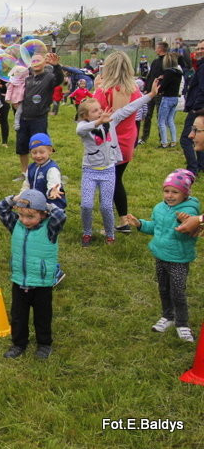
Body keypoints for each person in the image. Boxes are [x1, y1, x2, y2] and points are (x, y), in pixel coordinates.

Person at [75, 82, 157, 246]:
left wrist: (151, 95)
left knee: (106, 206)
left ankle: (110, 234)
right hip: (90, 171)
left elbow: (130, 107)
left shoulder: (111, 120)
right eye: (95, 111)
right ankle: (87, 232)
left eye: (100, 109)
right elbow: (80, 131)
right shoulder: (84, 126)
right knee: (86, 205)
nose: (100, 112)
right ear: (85, 116)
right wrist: (98, 123)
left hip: (108, 171)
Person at [125, 169, 199, 343]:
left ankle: (182, 323)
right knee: (164, 289)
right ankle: (168, 316)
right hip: (160, 256)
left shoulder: (189, 213)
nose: (170, 196)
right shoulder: (159, 208)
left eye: (175, 192)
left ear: (185, 193)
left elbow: (189, 233)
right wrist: (140, 224)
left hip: (178, 259)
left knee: (178, 292)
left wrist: (184, 222)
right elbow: (155, 227)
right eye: (167, 191)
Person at [0, 189, 66, 359]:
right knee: (18, 316)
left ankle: (44, 344)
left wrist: (44, 204)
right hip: (19, 280)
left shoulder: (50, 228)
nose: (24, 220)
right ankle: (19, 343)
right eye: (21, 215)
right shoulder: (15, 225)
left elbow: (60, 216)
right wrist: (15, 199)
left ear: (42, 214)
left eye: (30, 217)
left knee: (42, 316)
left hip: (42, 283)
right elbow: (1, 208)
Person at [93, 51, 145, 233]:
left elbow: (94, 114)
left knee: (107, 182)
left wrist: (95, 88)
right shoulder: (135, 91)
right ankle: (123, 220)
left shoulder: (104, 90)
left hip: (109, 141)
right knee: (117, 180)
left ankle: (112, 225)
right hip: (128, 139)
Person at [14, 53, 64, 178]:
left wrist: (56, 66)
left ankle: (42, 171)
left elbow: (59, 79)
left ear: (44, 63)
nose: (36, 62)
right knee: (22, 146)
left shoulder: (49, 77)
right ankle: (24, 173)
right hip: (24, 118)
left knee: (40, 146)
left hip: (39, 118)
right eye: (33, 60)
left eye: (39, 60)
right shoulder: (27, 78)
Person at [21, 133, 65, 210]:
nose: (38, 156)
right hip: (35, 203)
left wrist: (52, 191)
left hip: (50, 204)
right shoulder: (31, 167)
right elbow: (27, 184)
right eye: (34, 152)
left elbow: (53, 184)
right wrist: (23, 196)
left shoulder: (52, 169)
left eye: (42, 152)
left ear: (50, 151)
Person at [180, 41, 204, 173]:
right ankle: (201, 165)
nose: (199, 51)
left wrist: (196, 108)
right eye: (198, 48)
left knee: (186, 138)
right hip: (200, 108)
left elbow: (202, 89)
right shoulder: (200, 66)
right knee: (200, 135)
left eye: (202, 49)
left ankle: (192, 168)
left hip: (198, 109)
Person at [140, 41, 169, 144]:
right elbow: (151, 75)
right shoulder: (155, 61)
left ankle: (163, 138)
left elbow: (167, 77)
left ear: (160, 49)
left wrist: (161, 89)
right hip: (150, 92)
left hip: (160, 93)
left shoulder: (167, 62)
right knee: (147, 115)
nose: (155, 49)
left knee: (160, 116)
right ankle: (144, 137)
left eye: (156, 48)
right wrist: (147, 87)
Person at [156, 52, 183, 148]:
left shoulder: (168, 72)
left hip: (167, 98)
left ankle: (164, 142)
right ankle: (174, 140)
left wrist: (159, 84)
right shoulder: (179, 73)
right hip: (175, 98)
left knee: (161, 121)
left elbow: (163, 86)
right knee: (170, 120)